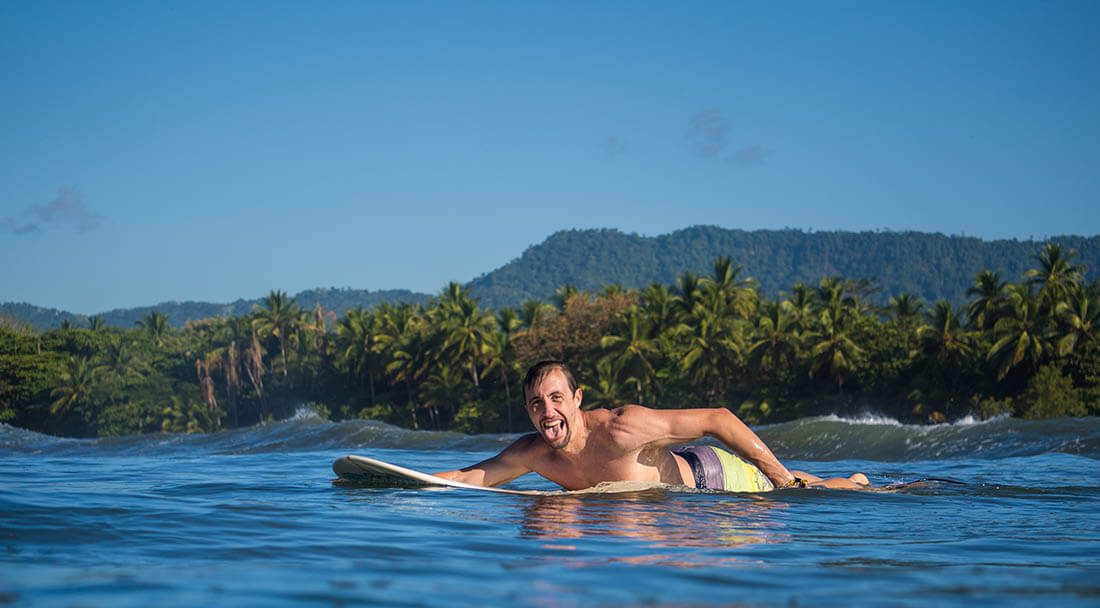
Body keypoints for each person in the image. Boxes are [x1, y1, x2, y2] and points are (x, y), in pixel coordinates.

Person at [436, 360, 869, 492]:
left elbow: (717, 418)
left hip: (711, 478)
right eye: (536, 404)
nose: (547, 412)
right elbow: (468, 477)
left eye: (555, 399)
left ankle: (856, 482)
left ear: (576, 399)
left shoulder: (622, 428)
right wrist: (384, 478)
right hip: (678, 488)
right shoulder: (533, 452)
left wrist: (778, 479)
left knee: (802, 485)